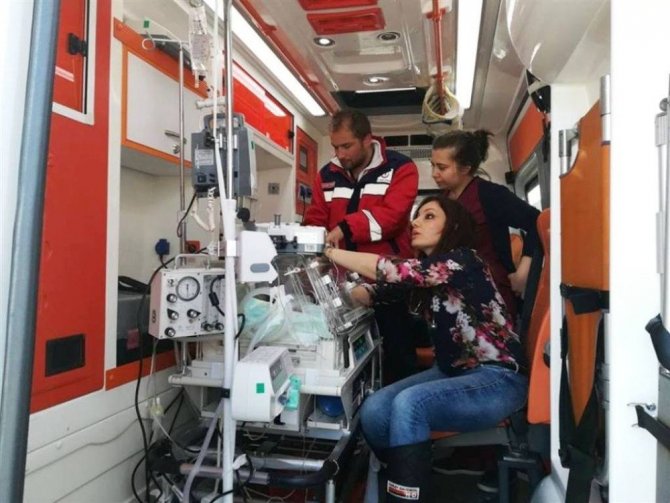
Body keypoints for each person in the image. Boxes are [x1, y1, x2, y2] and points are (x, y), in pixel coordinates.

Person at [323, 194, 528, 502]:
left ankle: (406, 490)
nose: (416, 223)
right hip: (453, 373)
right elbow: (382, 289)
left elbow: (394, 271)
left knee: (410, 404)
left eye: (428, 216)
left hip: (499, 378)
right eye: (416, 217)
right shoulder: (429, 276)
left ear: (453, 226)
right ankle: (404, 478)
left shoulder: (464, 260)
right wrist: (347, 293)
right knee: (374, 409)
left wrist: (329, 251)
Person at [304, 109, 419, 382]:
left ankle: (401, 402)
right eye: (335, 147)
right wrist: (309, 238)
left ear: (367, 139)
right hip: (343, 288)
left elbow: (392, 217)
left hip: (386, 284)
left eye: (347, 146)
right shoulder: (327, 174)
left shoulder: (400, 168)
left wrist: (345, 228)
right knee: (351, 364)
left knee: (397, 357)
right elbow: (316, 217)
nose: (340, 154)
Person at [431, 130, 540, 321]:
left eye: (441, 167)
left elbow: (537, 222)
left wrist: (523, 272)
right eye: (432, 165)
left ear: (465, 168)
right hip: (455, 293)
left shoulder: (490, 194)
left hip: (493, 293)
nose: (434, 174)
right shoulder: (443, 200)